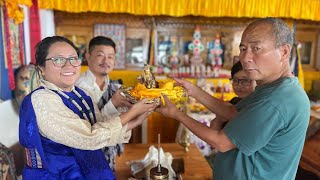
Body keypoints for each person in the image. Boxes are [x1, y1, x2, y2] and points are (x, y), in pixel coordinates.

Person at [156, 17, 310, 179]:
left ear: (284, 52)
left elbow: (221, 142)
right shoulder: (274, 89)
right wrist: (192, 90)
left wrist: (176, 114)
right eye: (243, 49)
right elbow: (232, 112)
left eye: (256, 48)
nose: (245, 58)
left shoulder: (277, 100)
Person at [19, 36, 157, 179]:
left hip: (90, 171)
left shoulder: (80, 94)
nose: (69, 65)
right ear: (41, 68)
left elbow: (99, 125)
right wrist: (133, 112)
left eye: (73, 58)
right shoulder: (42, 99)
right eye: (58, 60)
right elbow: (89, 136)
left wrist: (136, 120)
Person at [76, 36, 133, 171]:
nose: (106, 61)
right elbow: (89, 130)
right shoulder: (77, 88)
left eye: (110, 57)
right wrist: (113, 103)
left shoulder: (116, 88)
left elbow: (123, 123)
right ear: (88, 57)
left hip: (109, 157)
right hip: (84, 159)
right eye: (100, 55)